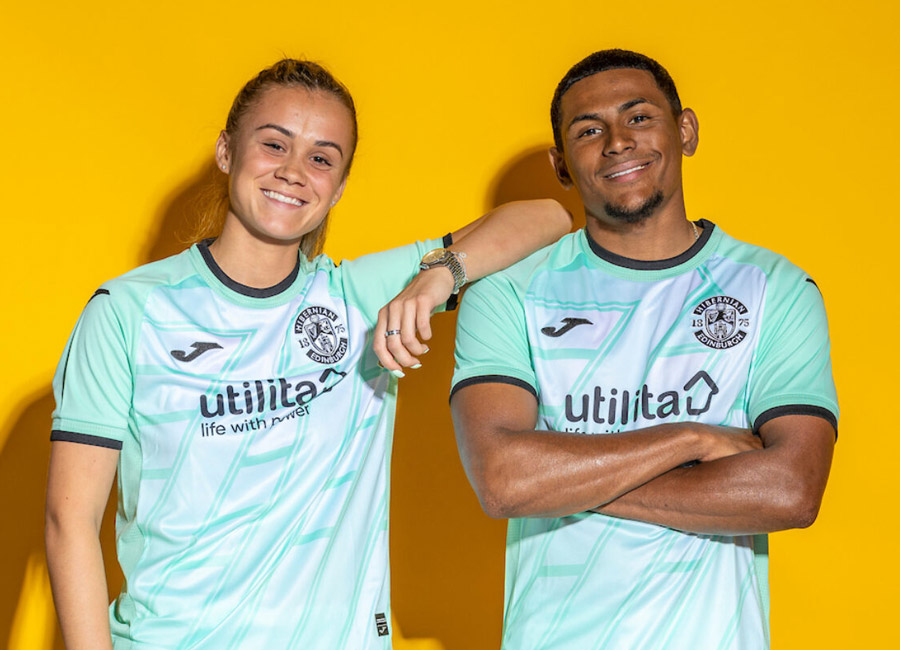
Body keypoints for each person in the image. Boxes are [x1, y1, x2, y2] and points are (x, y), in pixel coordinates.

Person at [45, 59, 571, 650]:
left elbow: (548, 218)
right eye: (274, 144)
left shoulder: (358, 296)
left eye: (322, 158)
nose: (294, 172)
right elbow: (70, 522)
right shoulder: (127, 311)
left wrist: (438, 277)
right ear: (226, 151)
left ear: (339, 187)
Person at [450, 49, 837, 649]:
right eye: (588, 130)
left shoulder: (774, 289)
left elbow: (790, 490)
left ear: (686, 131)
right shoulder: (507, 293)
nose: (617, 142)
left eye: (638, 117)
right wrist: (691, 439)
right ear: (561, 164)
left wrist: (561, 480)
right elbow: (502, 480)